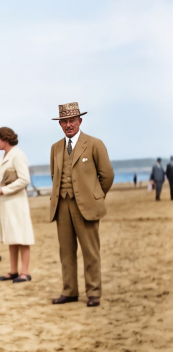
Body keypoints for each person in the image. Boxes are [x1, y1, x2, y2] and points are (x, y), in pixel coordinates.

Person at [49, 102, 114, 307]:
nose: (68, 125)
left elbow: (107, 175)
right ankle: (69, 291)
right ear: (60, 124)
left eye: (72, 121)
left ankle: (94, 292)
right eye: (64, 121)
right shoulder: (55, 148)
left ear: (79, 121)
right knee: (66, 252)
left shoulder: (94, 144)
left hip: (86, 207)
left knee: (90, 251)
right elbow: (54, 175)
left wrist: (96, 196)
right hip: (62, 207)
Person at [0, 127, 34, 283]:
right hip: (6, 203)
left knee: (22, 237)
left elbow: (24, 180)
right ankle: (13, 271)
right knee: (12, 237)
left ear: (5, 139)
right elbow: (3, 182)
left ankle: (25, 273)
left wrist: (3, 190)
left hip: (16, 203)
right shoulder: (4, 156)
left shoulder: (18, 155)